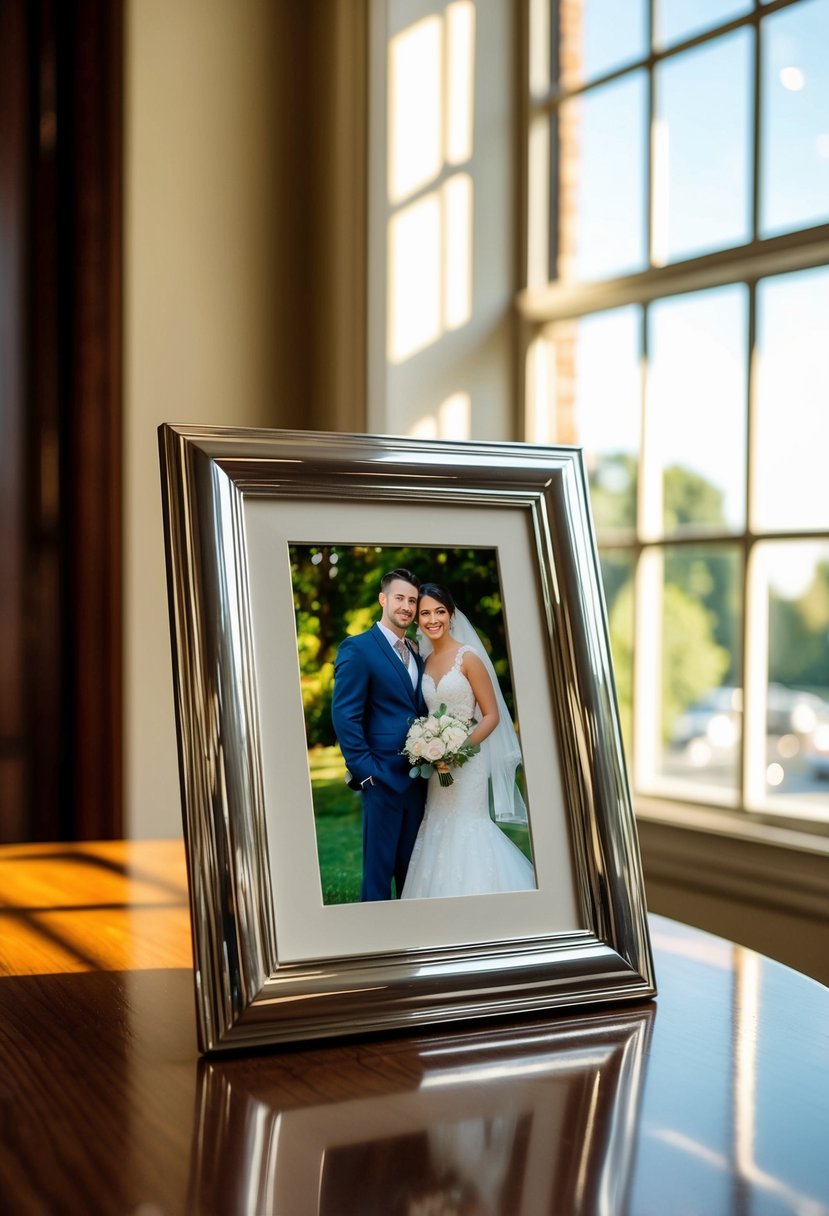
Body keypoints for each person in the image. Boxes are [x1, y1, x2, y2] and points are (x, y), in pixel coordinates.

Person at [401, 582, 535, 900]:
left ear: (450, 614)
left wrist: (458, 750)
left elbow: (491, 716)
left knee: (467, 826)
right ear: (417, 619)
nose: (432, 619)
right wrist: (429, 749)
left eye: (439, 611)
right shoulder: (425, 660)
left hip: (467, 760)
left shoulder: (468, 657)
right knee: (437, 826)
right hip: (436, 763)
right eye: (424, 613)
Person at [331, 568, 428, 901]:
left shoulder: (415, 652)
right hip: (381, 777)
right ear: (383, 599)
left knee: (411, 872)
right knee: (378, 875)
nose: (406, 606)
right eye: (399, 598)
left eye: (412, 601)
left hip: (418, 779)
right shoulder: (358, 649)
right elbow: (346, 715)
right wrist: (366, 772)